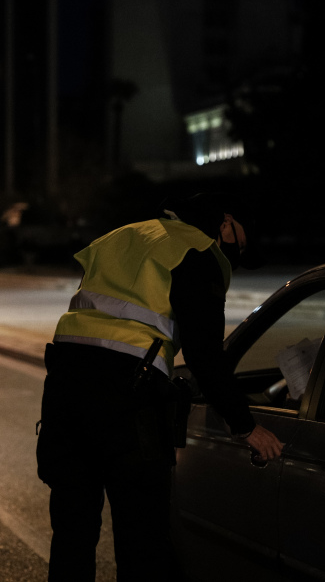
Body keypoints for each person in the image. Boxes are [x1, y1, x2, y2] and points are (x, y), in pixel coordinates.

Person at [35, 189, 284, 581]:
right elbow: (205, 356)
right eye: (240, 240)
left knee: (72, 537)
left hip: (64, 393)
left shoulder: (122, 235)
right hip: (128, 401)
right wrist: (245, 425)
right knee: (142, 544)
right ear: (224, 223)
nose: (235, 252)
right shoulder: (198, 251)